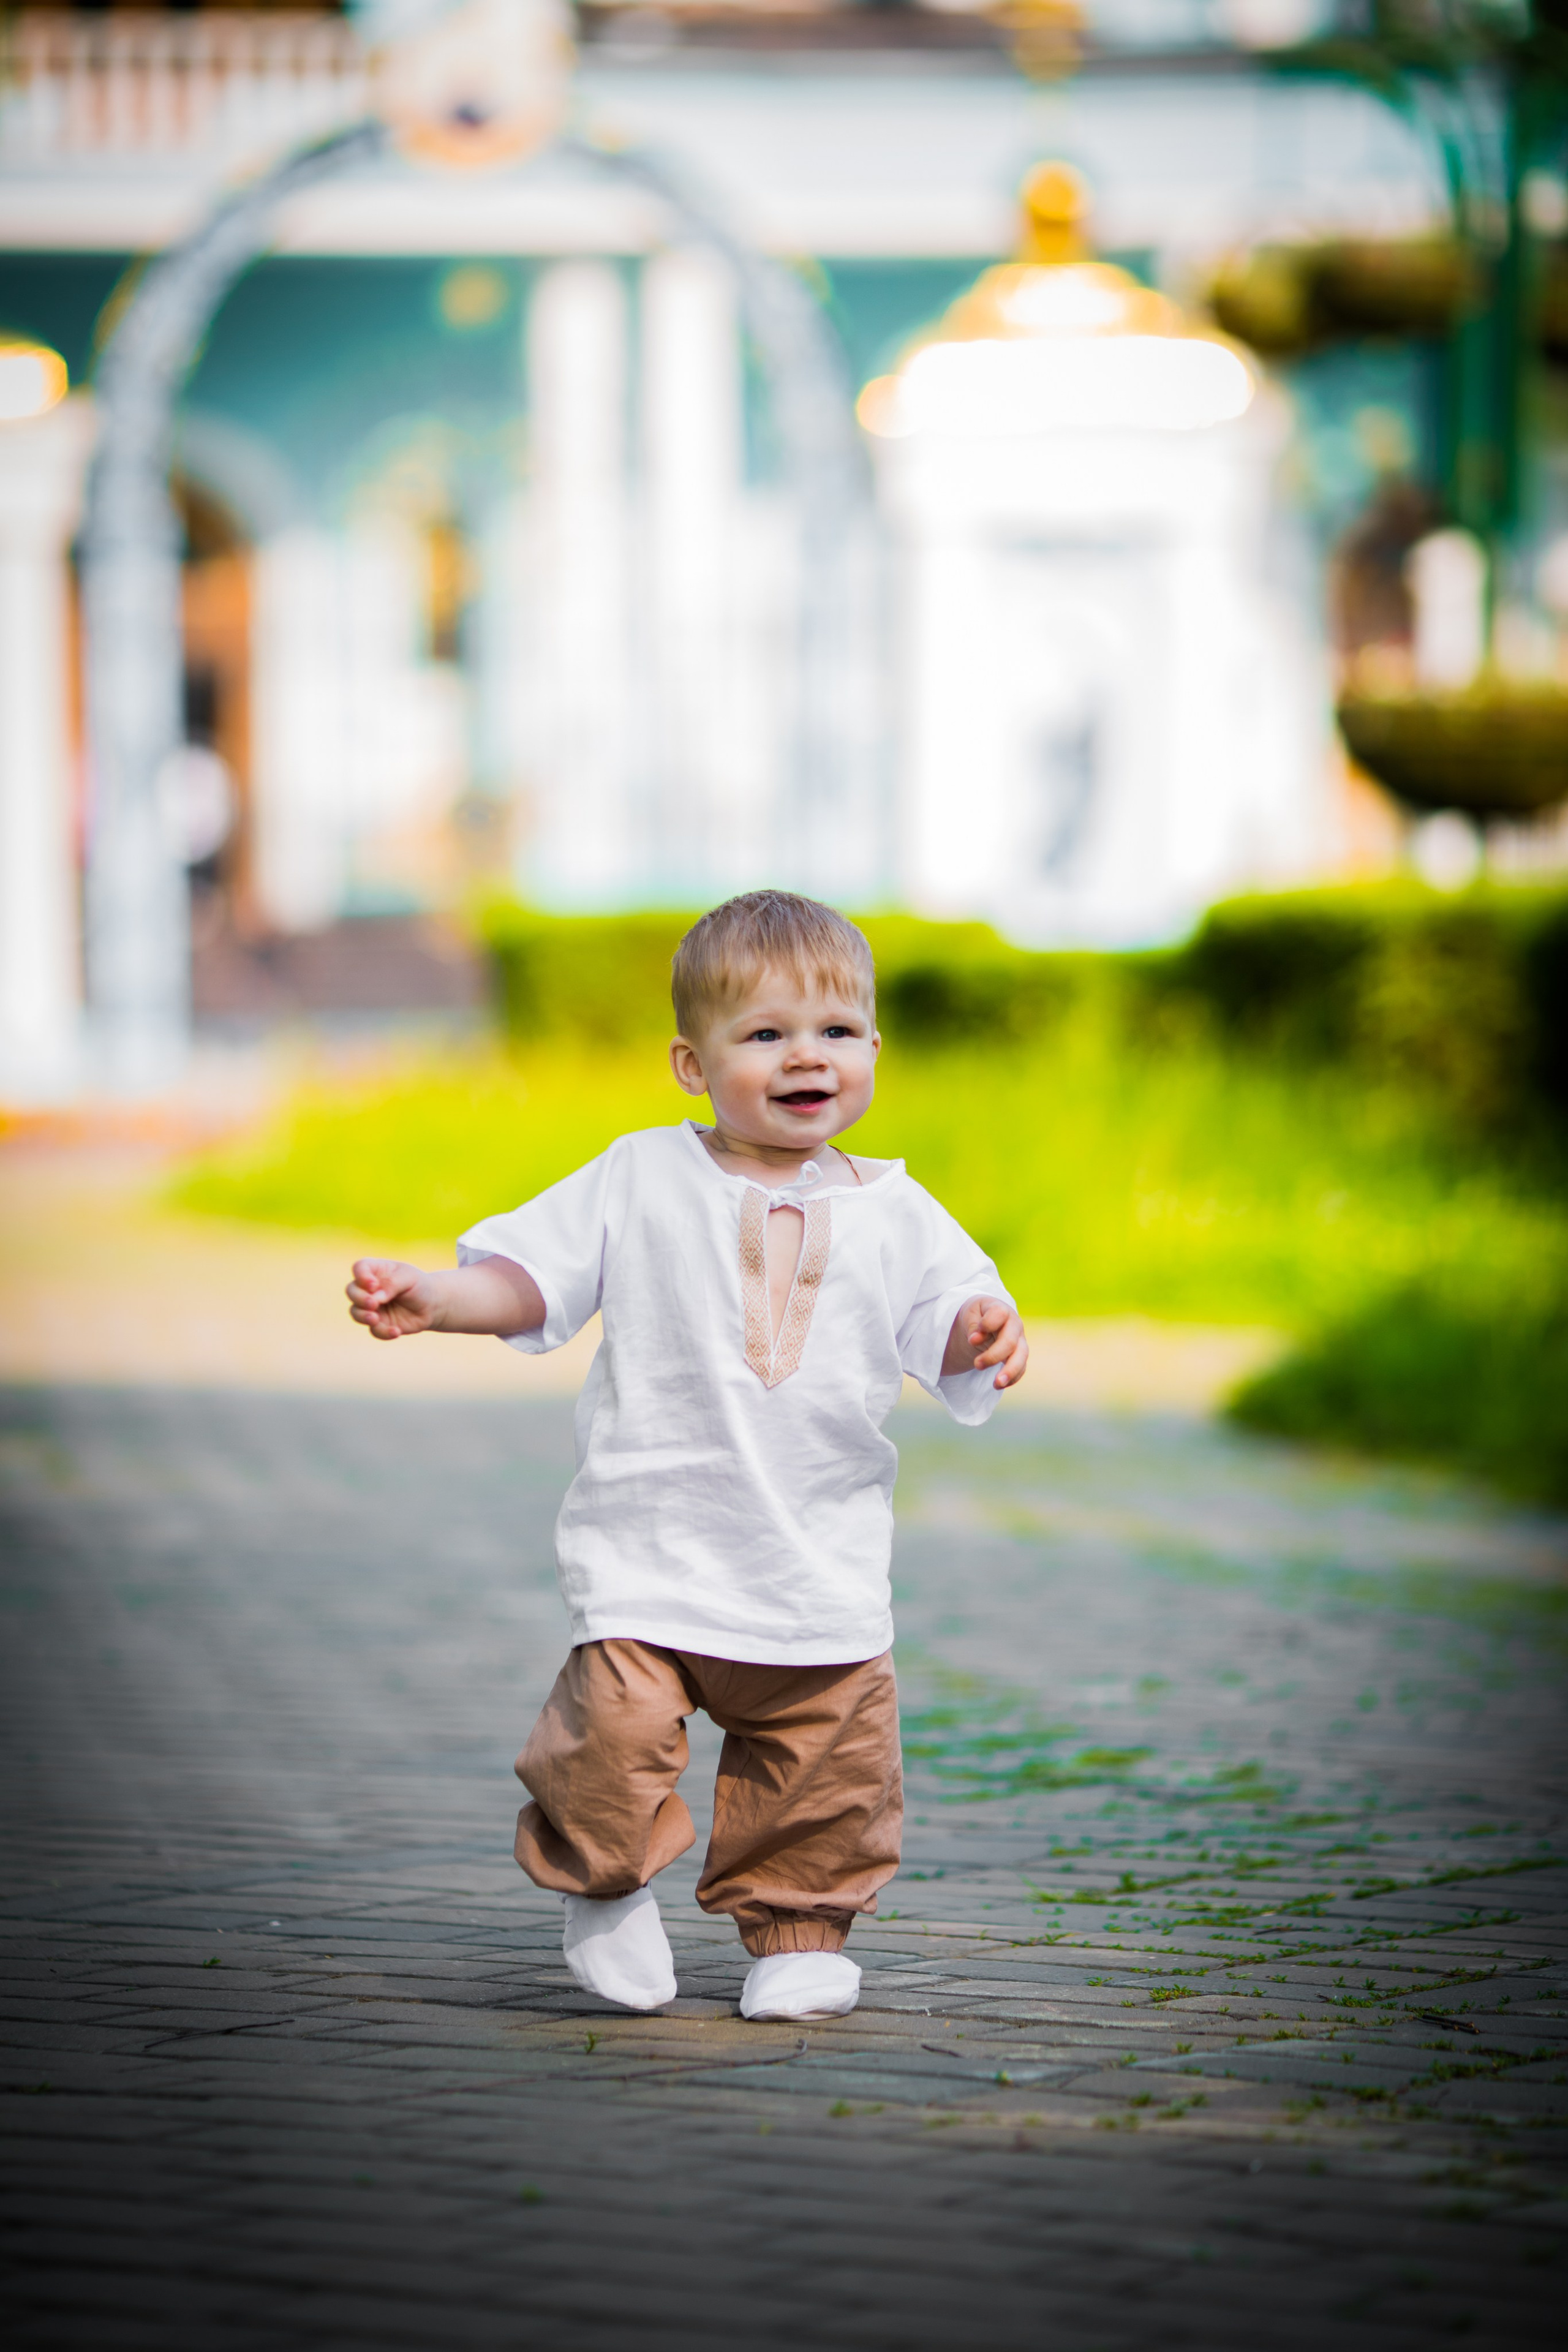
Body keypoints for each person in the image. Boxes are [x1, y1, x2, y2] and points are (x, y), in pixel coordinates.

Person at [345, 891, 1027, 2022]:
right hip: (651, 1548)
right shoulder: (640, 1176)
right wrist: (442, 1297)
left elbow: (952, 1309)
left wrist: (979, 1331)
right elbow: (535, 1278)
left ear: (872, 1050)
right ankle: (605, 1892)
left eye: (838, 1032)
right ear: (691, 1063)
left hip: (815, 1559)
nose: (807, 1057)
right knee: (607, 1740)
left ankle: (801, 1934)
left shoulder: (899, 1209)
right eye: (765, 1035)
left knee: (824, 1758)